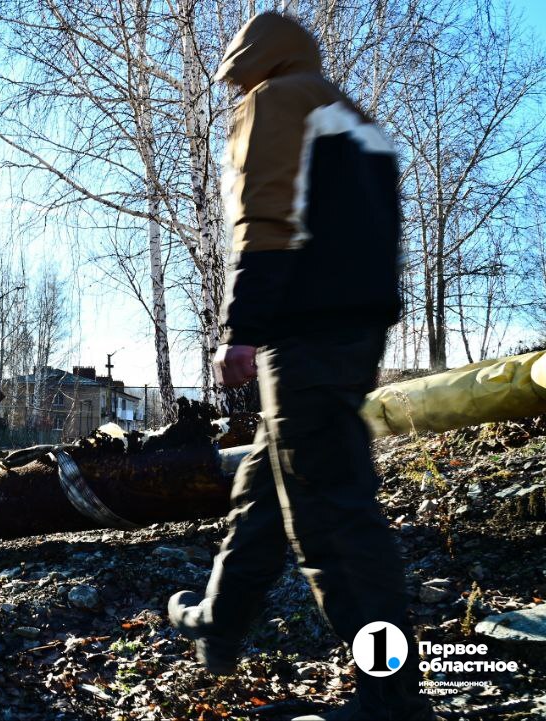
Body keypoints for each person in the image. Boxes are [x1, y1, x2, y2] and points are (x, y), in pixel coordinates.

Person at [165, 12, 432, 721]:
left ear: (254, 60)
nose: (235, 90)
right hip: (353, 336)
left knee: (331, 517)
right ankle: (219, 620)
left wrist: (243, 329)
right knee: (265, 487)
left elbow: (266, 217)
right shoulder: (357, 118)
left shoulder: (274, 100)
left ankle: (390, 694)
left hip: (303, 334)